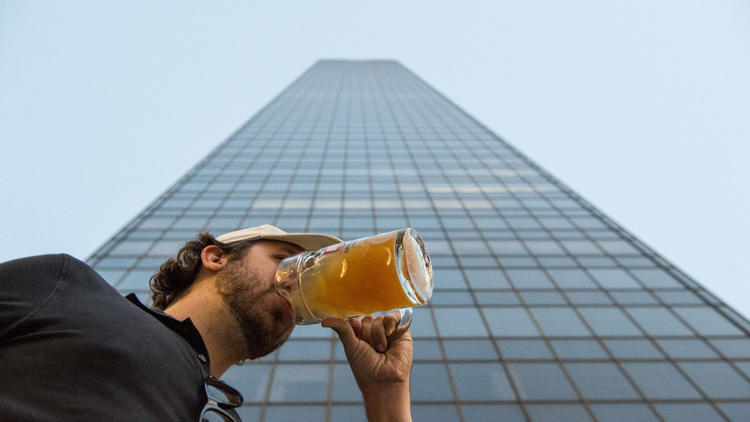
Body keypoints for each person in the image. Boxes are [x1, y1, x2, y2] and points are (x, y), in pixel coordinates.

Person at [0, 225, 413, 421]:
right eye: (284, 258)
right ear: (216, 258)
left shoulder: (218, 413)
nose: (302, 281)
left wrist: (386, 394)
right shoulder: (68, 287)